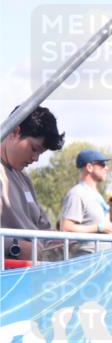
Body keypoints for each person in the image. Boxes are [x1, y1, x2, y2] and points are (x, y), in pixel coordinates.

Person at [1, 105, 64, 260]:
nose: (35, 159)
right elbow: (24, 248)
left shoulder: (24, 177)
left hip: (28, 276)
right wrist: (15, 247)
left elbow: (42, 226)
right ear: (15, 131)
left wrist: (59, 242)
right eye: (34, 149)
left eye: (40, 153)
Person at [59, 148, 112, 239]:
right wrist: (98, 228)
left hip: (101, 252)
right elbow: (66, 228)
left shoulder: (95, 194)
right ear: (89, 167)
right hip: (86, 253)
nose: (106, 168)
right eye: (102, 164)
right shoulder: (77, 194)